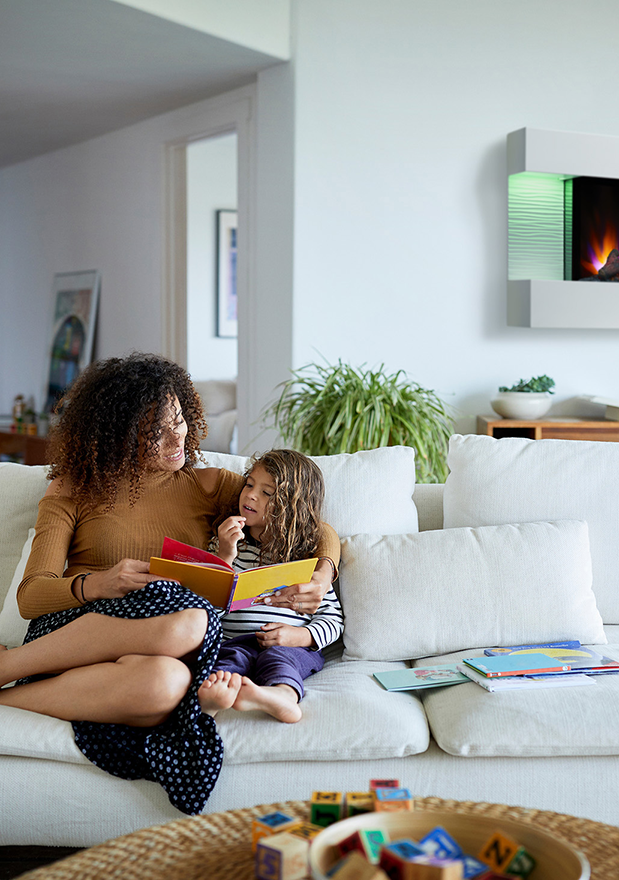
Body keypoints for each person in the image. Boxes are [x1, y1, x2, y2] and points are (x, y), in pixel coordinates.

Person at [0, 353, 340, 815]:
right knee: (188, 622)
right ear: (118, 435)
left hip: (159, 651)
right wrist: (97, 584)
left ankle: (11, 696)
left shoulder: (208, 485)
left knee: (169, 683)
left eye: (179, 419)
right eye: (157, 432)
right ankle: (10, 666)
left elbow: (310, 522)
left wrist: (323, 574)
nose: (177, 437)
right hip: (76, 634)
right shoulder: (72, 488)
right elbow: (31, 596)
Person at [199, 450, 344, 724]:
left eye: (267, 492)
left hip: (292, 645)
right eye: (250, 484)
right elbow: (207, 611)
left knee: (281, 660)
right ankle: (212, 699)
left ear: (293, 506)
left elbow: (333, 620)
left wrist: (300, 637)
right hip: (235, 641)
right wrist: (225, 557)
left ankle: (282, 697)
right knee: (226, 662)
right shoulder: (225, 545)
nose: (250, 495)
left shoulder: (306, 559)